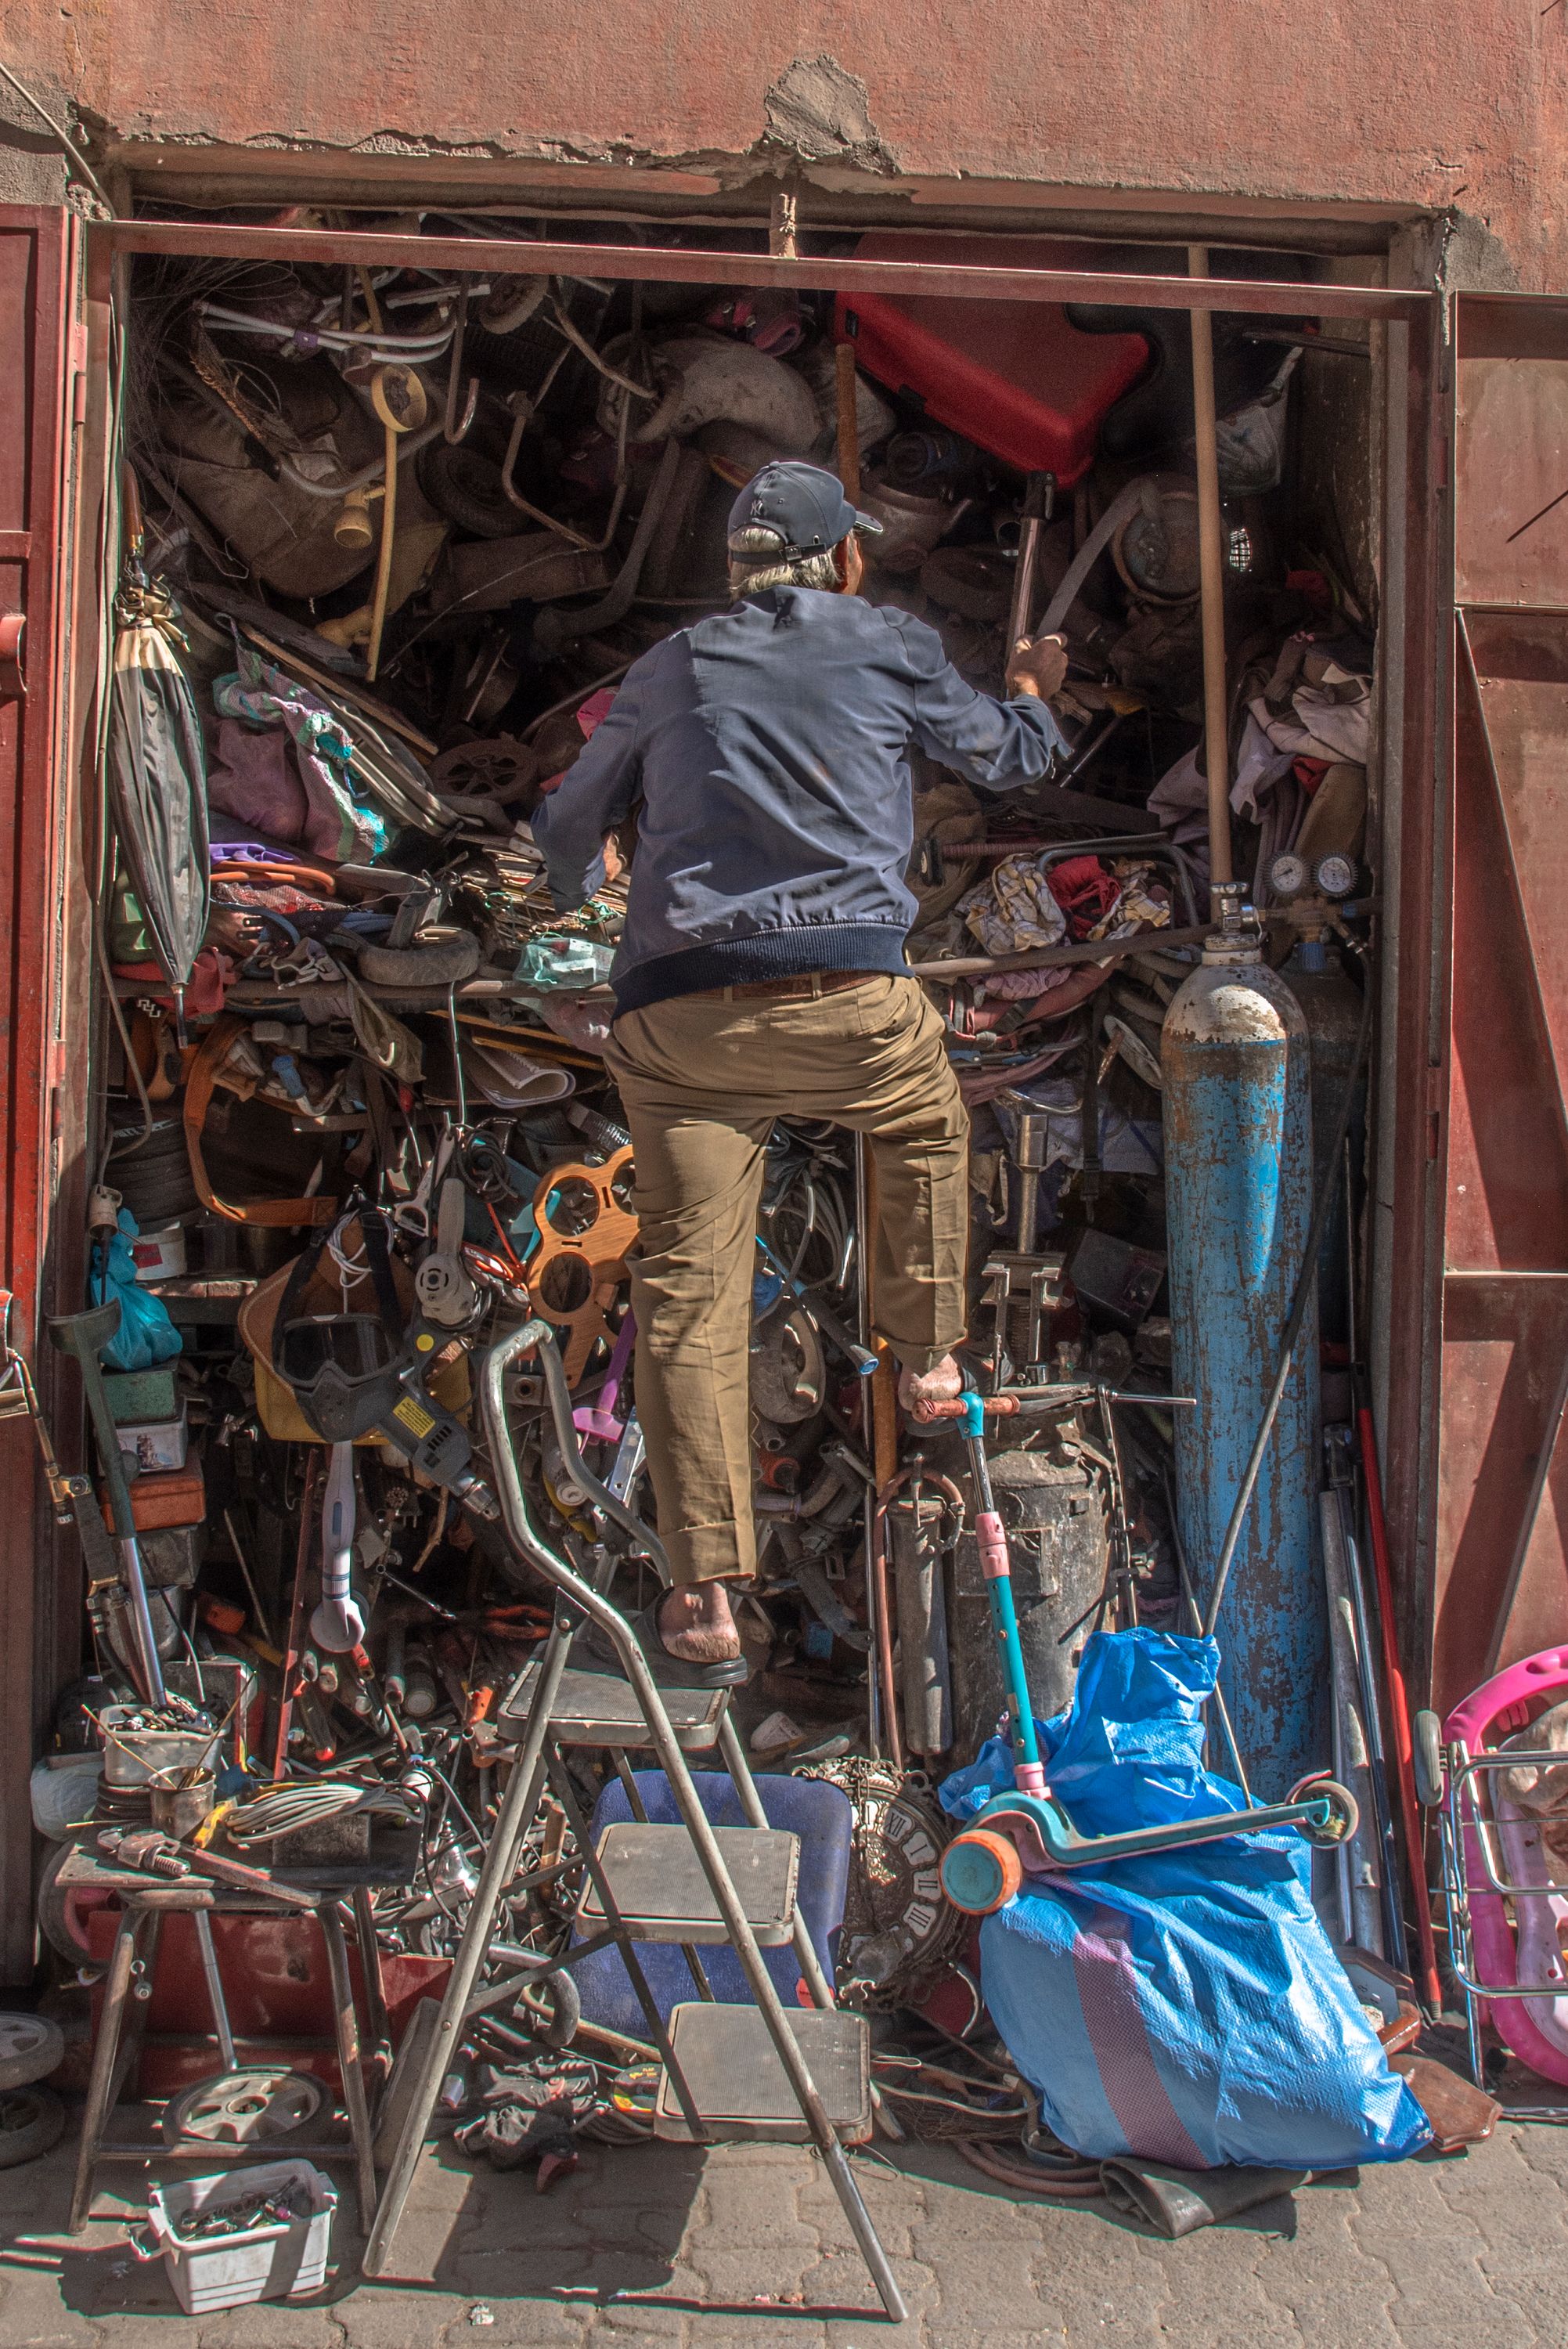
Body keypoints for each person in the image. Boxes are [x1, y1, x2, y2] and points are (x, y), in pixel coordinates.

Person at [531, 460, 1070, 1682]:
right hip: (848, 1003)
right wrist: (1038, 693)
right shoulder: (887, 641)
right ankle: (927, 1354)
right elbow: (1011, 759)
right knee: (927, 1120)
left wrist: (578, 893)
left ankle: (707, 1592)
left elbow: (566, 831)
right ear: (843, 559)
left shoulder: (668, 671)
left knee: (687, 1293)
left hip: (681, 1028)